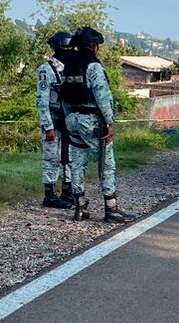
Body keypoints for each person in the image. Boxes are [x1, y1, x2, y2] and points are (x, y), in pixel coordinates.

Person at [62, 27, 136, 223]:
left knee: (77, 164)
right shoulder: (93, 67)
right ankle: (111, 209)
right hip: (92, 121)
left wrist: (69, 119)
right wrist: (110, 122)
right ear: (94, 47)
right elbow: (103, 97)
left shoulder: (68, 66)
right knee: (107, 164)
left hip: (73, 120)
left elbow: (64, 98)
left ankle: (80, 208)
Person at [36, 31, 75, 208]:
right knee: (51, 157)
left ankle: (68, 191)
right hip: (53, 120)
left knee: (69, 157)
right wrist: (48, 126)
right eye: (66, 48)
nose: (69, 51)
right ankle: (50, 194)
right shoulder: (47, 70)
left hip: (68, 121)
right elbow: (42, 101)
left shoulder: (70, 67)